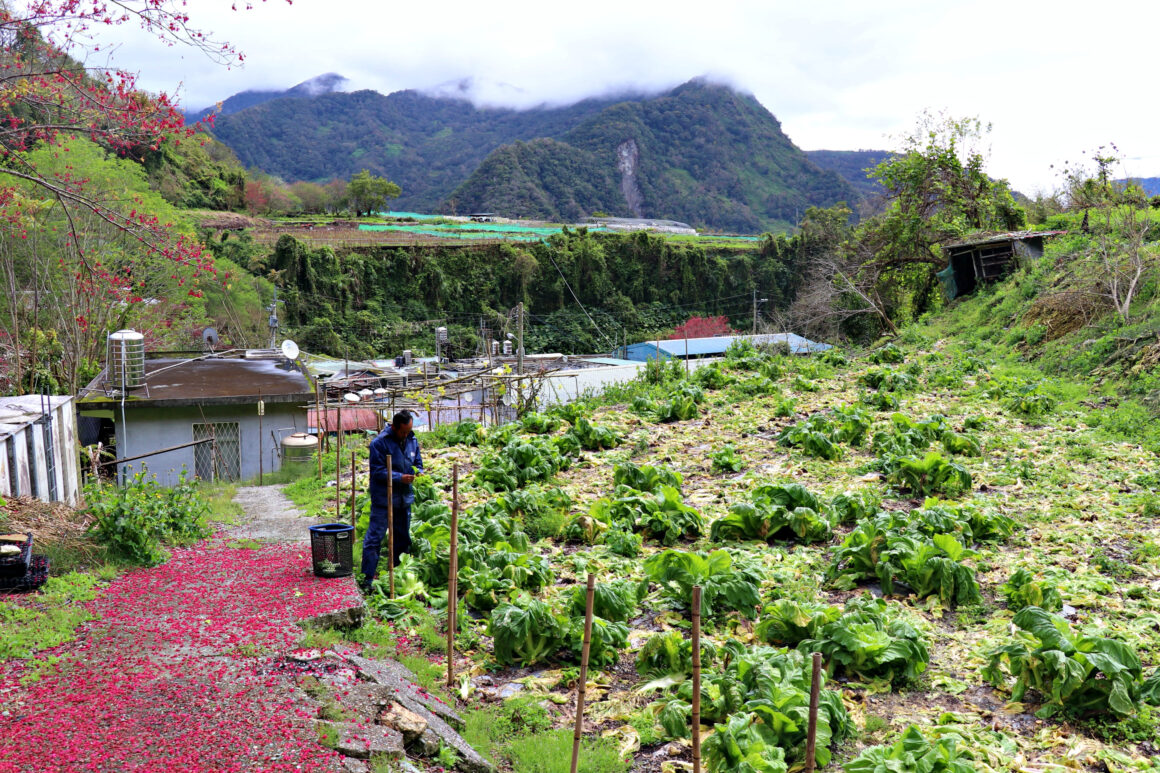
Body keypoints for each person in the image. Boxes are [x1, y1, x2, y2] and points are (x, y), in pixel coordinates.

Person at [362, 410, 423, 589]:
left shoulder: (412, 439)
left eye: (409, 431)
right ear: (394, 427)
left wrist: (418, 472)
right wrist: (399, 477)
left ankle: (397, 574)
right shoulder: (379, 443)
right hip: (384, 499)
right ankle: (367, 579)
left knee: (403, 538)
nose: (406, 435)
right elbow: (377, 471)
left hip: (404, 499)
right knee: (375, 538)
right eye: (403, 431)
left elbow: (418, 462)